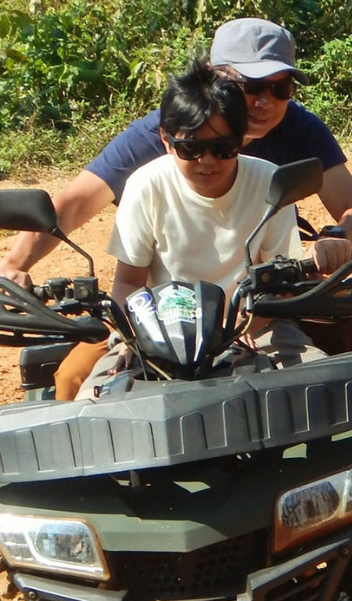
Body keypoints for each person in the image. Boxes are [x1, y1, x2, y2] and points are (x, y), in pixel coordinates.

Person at [0, 18, 352, 399]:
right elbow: (75, 204)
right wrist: (13, 264)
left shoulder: (295, 134)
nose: (264, 101)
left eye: (280, 88)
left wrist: (333, 240)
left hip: (262, 298)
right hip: (160, 313)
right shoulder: (164, 138)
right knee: (73, 383)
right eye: (250, 86)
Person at [97, 59, 321, 386]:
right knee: (93, 398)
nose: (207, 161)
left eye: (222, 148)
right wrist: (131, 339)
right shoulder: (146, 186)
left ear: (242, 138)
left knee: (319, 388)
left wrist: (241, 328)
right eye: (190, 148)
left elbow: (278, 287)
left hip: (255, 328)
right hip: (159, 330)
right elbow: (128, 283)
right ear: (165, 139)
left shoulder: (271, 183)